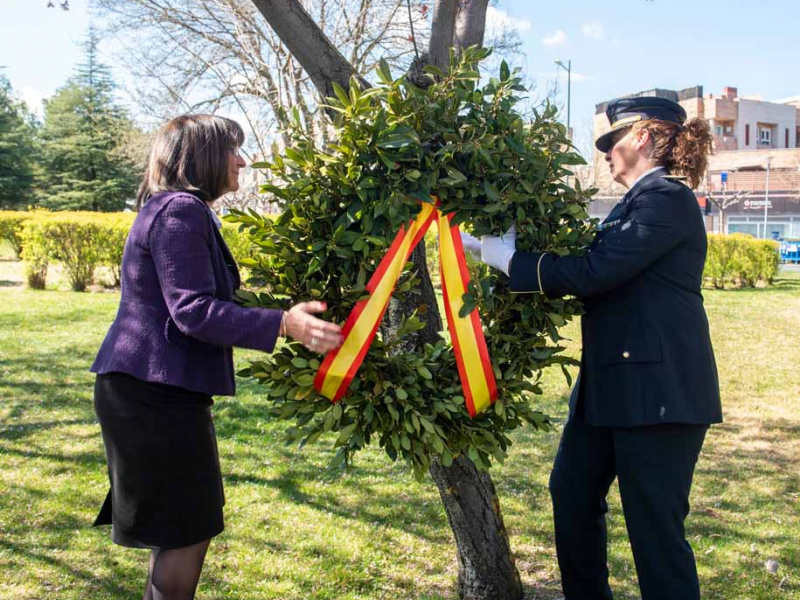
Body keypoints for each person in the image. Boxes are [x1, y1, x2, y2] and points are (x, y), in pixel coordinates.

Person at [473, 97, 723, 600]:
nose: (606, 151)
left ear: (645, 138)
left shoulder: (666, 199)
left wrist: (513, 262)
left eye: (613, 140)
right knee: (572, 496)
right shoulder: (635, 205)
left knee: (655, 534)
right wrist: (493, 252)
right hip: (608, 390)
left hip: (658, 396)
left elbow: (597, 272)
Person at [90, 114, 342, 600]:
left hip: (153, 391)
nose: (242, 161)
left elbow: (200, 300)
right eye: (233, 151)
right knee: (186, 530)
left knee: (181, 530)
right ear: (203, 156)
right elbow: (193, 311)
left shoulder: (171, 208)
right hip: (152, 396)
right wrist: (284, 324)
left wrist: (280, 313)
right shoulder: (181, 211)